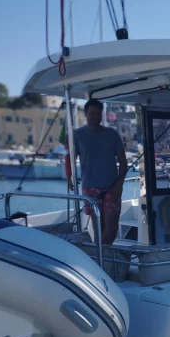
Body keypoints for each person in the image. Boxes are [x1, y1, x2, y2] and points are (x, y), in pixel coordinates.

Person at [66, 99, 127, 244]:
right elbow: (69, 158)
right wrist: (69, 177)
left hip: (112, 187)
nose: (96, 117)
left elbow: (123, 162)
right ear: (85, 114)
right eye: (92, 113)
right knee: (98, 227)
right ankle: (101, 259)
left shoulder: (112, 134)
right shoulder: (76, 135)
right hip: (90, 187)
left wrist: (120, 185)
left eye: (99, 114)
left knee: (111, 228)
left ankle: (101, 256)